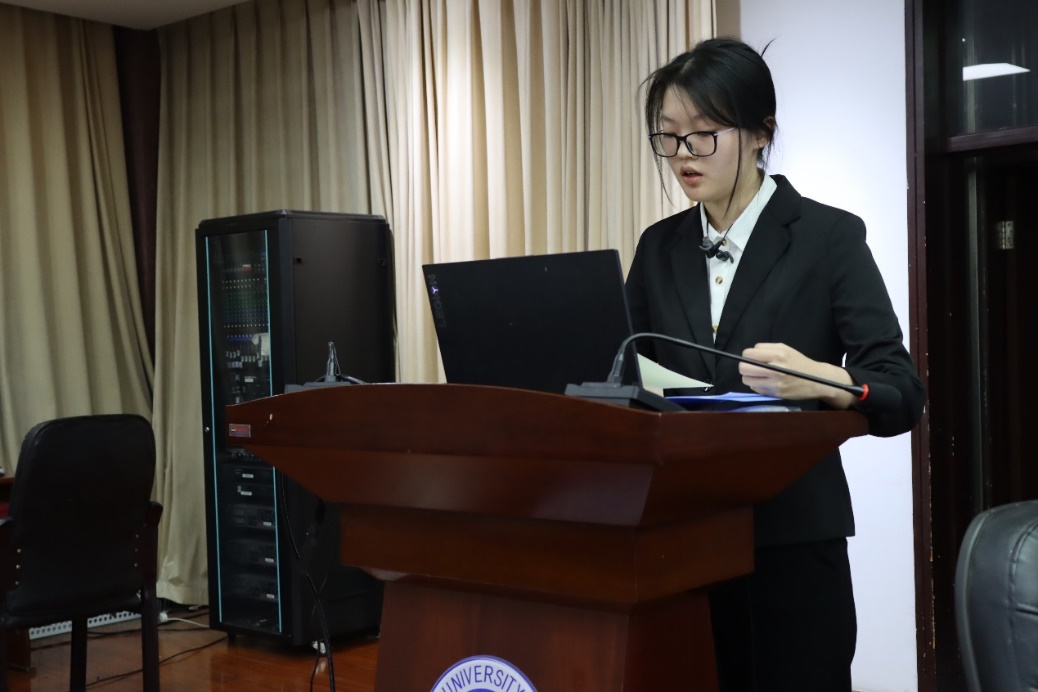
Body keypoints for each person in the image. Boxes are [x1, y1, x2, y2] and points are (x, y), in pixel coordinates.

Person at [626, 37, 926, 691]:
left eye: (704, 134)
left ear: (762, 132)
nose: (683, 155)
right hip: (681, 540)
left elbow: (901, 391)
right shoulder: (657, 248)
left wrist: (821, 378)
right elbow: (626, 377)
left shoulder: (828, 237)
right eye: (668, 137)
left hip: (791, 541)